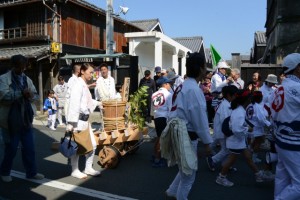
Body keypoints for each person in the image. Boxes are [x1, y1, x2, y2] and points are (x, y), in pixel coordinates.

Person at [165, 52, 212, 200]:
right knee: (189, 174)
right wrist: (207, 142)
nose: (206, 70)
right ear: (199, 68)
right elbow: (199, 120)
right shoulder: (193, 89)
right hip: (185, 134)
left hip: (178, 130)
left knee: (184, 166)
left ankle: (172, 191)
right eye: (204, 67)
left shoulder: (184, 85)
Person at [0, 54, 44, 182]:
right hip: (10, 121)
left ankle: (31, 172)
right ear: (13, 66)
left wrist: (31, 95)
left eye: (24, 67)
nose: (23, 70)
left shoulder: (26, 79)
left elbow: (35, 95)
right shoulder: (3, 79)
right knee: (11, 149)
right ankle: (4, 171)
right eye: (20, 67)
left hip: (25, 120)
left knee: (29, 149)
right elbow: (3, 97)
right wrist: (21, 93)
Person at [216, 89, 267, 187]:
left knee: (248, 157)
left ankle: (258, 174)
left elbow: (237, 127)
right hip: (236, 141)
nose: (251, 100)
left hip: (238, 140)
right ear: (246, 100)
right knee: (232, 160)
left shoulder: (239, 110)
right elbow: (236, 129)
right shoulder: (239, 112)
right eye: (249, 98)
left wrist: (246, 129)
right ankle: (221, 177)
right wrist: (248, 129)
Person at [270, 53, 300, 200]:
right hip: (294, 142)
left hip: (281, 139)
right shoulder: (297, 88)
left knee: (282, 177)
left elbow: (273, 114)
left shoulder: (279, 89)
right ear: (298, 68)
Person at [67, 63, 102, 179]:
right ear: (82, 71)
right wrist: (71, 123)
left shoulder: (83, 84)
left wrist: (98, 103)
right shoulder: (77, 84)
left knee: (92, 145)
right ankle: (75, 170)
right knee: (76, 147)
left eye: (92, 72)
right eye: (90, 72)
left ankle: (88, 168)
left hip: (85, 121)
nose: (92, 75)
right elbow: (74, 103)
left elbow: (87, 101)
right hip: (78, 120)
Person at [206, 85, 238, 172]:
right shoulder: (225, 106)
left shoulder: (226, 104)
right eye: (234, 95)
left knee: (226, 149)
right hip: (223, 130)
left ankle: (226, 165)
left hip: (222, 130)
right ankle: (213, 160)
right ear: (228, 95)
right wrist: (230, 130)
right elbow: (225, 121)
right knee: (227, 150)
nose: (235, 97)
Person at [151, 76, 172, 167]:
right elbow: (170, 108)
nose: (170, 85)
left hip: (157, 117)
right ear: (165, 84)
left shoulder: (154, 94)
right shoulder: (168, 94)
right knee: (162, 139)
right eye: (169, 84)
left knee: (159, 136)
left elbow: (153, 108)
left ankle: (155, 154)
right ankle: (158, 158)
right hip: (164, 117)